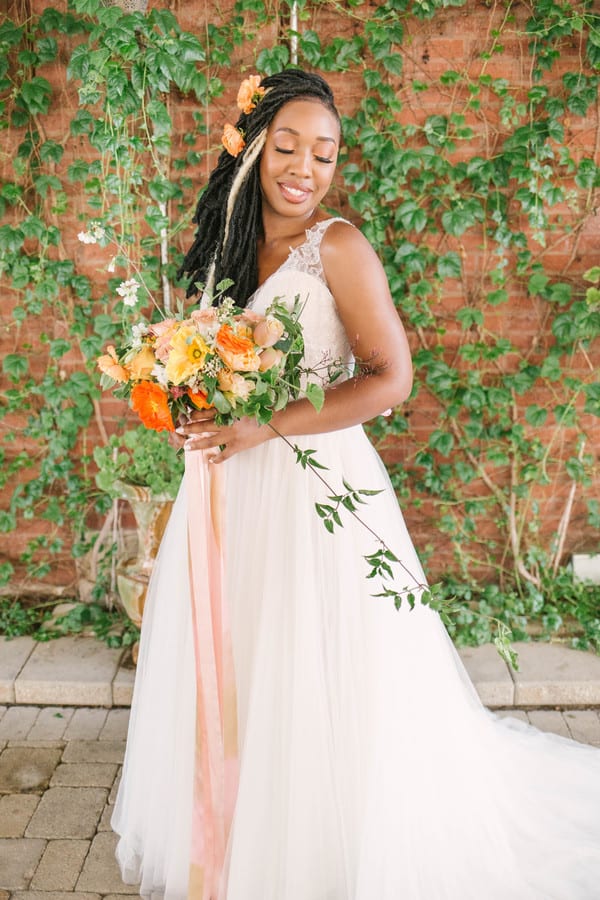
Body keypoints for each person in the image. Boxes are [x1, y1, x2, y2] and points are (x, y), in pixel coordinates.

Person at [112, 69, 600, 900]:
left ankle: (321, 850)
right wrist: (188, 401)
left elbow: (391, 378)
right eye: (289, 147)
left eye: (324, 154)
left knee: (314, 658)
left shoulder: (336, 247)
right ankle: (238, 834)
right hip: (229, 486)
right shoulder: (229, 243)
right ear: (254, 147)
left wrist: (267, 424)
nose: (305, 168)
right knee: (241, 659)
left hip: (313, 489)